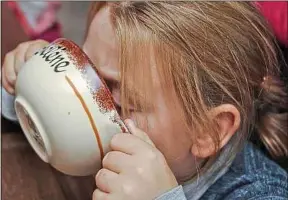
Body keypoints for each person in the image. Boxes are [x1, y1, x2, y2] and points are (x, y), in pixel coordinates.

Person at [2, 2, 288, 200]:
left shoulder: (263, 191)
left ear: (208, 131)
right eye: (86, 68)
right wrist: (28, 86)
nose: (87, 100)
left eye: (118, 99)